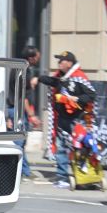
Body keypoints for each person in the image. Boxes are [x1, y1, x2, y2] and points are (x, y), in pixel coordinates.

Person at [38, 51, 95, 190]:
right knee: (61, 147)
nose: (59, 64)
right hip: (62, 119)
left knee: (79, 149)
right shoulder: (61, 77)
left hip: (76, 120)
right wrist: (38, 78)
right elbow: (52, 81)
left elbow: (91, 95)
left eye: (61, 61)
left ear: (69, 63)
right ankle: (62, 177)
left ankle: (83, 177)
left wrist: (77, 99)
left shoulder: (79, 77)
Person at [19, 45, 41, 181]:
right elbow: (23, 97)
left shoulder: (25, 69)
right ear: (31, 58)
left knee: (21, 142)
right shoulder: (24, 71)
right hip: (20, 112)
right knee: (19, 143)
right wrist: (31, 115)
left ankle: (24, 170)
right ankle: (23, 171)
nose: (38, 59)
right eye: (37, 57)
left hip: (22, 112)